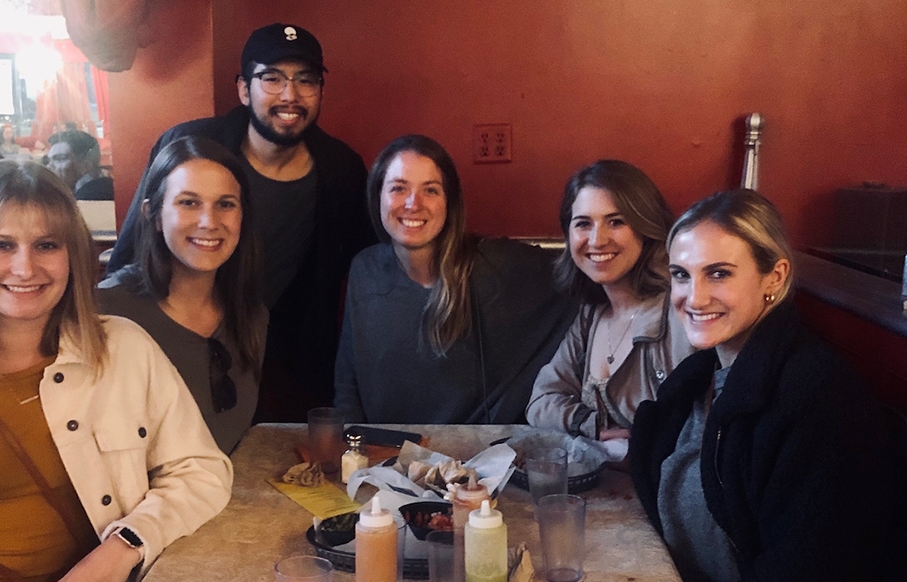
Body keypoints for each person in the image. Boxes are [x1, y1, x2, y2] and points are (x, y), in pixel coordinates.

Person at [0, 159, 232, 581]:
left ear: (73, 255)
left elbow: (202, 470)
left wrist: (123, 548)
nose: (25, 268)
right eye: (1, 245)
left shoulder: (123, 347)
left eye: (47, 245)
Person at [629, 190, 906, 581]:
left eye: (719, 273)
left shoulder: (817, 399)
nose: (694, 297)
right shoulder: (697, 378)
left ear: (774, 277)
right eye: (681, 275)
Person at [106, 23, 374, 421]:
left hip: (282, 361)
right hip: (174, 342)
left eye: (306, 80)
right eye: (272, 78)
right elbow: (132, 252)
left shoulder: (341, 168)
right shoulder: (191, 147)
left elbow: (371, 263)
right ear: (244, 89)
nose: (290, 95)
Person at [333, 134, 576, 423]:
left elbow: (581, 275)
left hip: (472, 459)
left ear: (450, 203)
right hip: (382, 458)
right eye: (398, 188)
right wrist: (353, 458)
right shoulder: (365, 269)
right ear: (377, 197)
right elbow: (347, 387)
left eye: (431, 190)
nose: (413, 203)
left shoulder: (494, 264)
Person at [97, 136, 267, 454]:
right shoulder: (106, 311)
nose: (209, 221)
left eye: (225, 204)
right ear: (154, 215)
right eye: (188, 202)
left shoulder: (251, 316)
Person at [526, 160, 693, 441]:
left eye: (616, 222)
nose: (597, 240)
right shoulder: (592, 315)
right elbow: (541, 401)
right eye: (583, 224)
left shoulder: (680, 312)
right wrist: (593, 427)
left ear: (646, 226)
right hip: (602, 482)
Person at [46, 129, 114, 201]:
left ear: (86, 165)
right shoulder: (85, 191)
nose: (49, 166)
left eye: (60, 159)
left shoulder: (92, 195)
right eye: (49, 160)